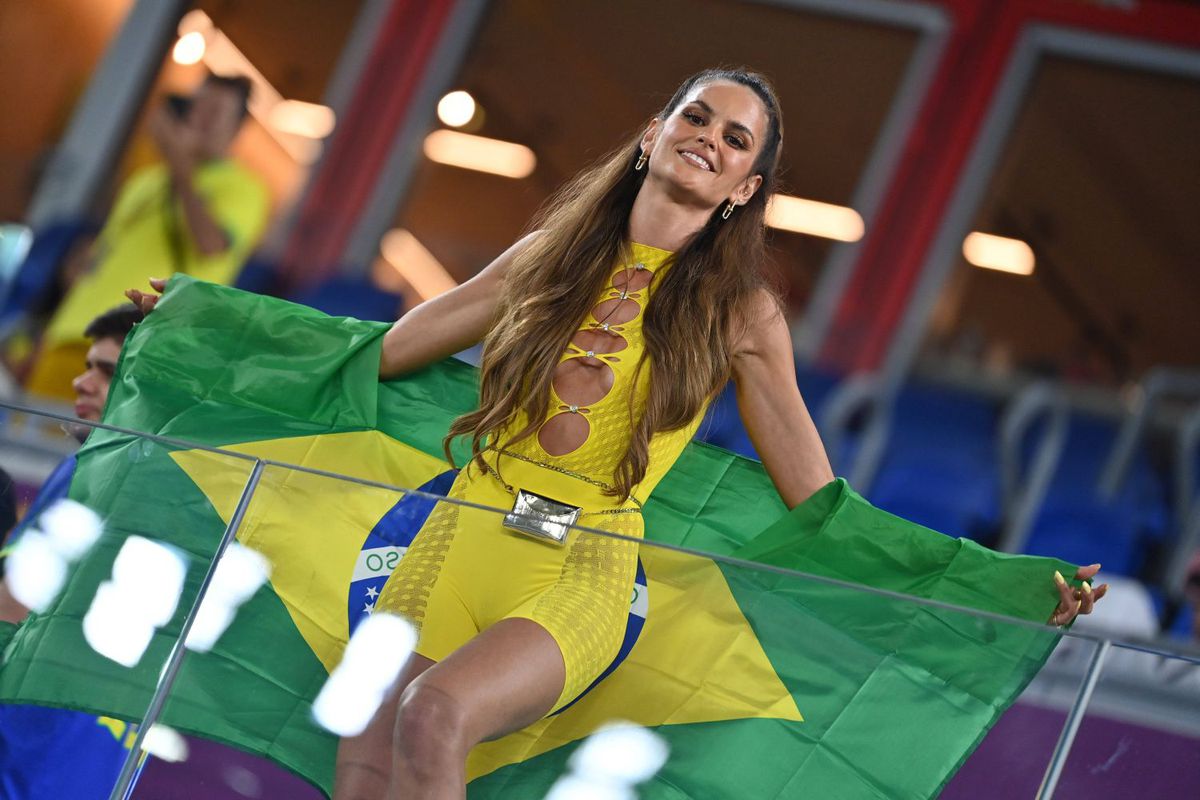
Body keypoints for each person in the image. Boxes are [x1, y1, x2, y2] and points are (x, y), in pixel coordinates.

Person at [130, 68, 1105, 799]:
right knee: (366, 753)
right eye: (696, 117)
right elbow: (377, 353)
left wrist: (1000, 585)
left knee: (435, 713)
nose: (709, 140)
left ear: (743, 189)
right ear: (654, 133)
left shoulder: (744, 316)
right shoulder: (542, 257)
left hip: (582, 567)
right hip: (451, 535)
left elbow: (822, 502)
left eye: (735, 140)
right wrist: (196, 326)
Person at [27, 71, 269, 402]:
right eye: (198, 106)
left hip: (139, 350)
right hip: (70, 336)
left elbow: (211, 245)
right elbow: (95, 264)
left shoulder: (243, 188)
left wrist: (180, 163)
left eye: (215, 111)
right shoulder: (145, 180)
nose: (200, 118)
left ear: (237, 128)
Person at [0, 303, 144, 798]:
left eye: (107, 372)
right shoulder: (191, 495)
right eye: (87, 366)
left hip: (25, 757)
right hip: (91, 766)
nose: (82, 382)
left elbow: (12, 608)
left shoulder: (101, 470)